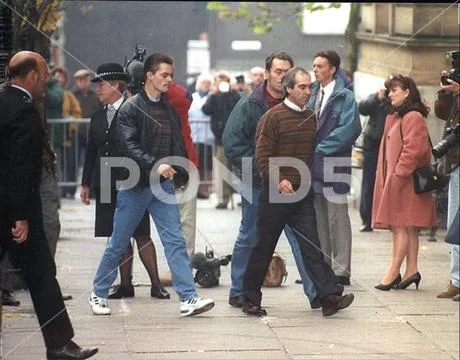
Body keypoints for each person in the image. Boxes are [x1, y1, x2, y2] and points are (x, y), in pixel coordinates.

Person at [89, 53, 214, 317]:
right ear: (149, 76)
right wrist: (156, 164)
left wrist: (178, 172)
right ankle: (98, 292)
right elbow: (128, 146)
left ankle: (189, 298)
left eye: (171, 75)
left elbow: (176, 143)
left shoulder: (168, 107)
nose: (169, 79)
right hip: (135, 185)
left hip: (163, 186)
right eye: (164, 75)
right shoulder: (130, 108)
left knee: (175, 242)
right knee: (118, 242)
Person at [0, 50, 97, 360]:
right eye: (43, 77)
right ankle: (59, 345)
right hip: (18, 212)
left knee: (43, 275)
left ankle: (60, 344)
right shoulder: (24, 111)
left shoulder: (4, 102)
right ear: (31, 76)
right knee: (42, 275)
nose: (45, 83)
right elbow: (20, 168)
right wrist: (20, 216)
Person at [242, 67, 355, 317]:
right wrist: (280, 180)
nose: (307, 91)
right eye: (302, 87)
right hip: (274, 195)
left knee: (312, 246)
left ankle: (328, 297)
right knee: (263, 246)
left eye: (309, 87)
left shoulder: (311, 117)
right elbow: (262, 156)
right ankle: (249, 298)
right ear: (289, 88)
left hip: (302, 194)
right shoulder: (272, 117)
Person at [223, 51, 319, 310]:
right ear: (267, 74)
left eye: (286, 71)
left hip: (293, 185)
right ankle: (239, 290)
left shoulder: (301, 108)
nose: (281, 76)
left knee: (303, 239)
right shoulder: (250, 104)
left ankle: (316, 292)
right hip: (259, 183)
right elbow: (233, 144)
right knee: (251, 236)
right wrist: (262, 174)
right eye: (277, 71)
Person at [80, 62, 169, 301]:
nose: (97, 89)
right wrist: (85, 183)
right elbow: (91, 151)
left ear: (115, 85)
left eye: (101, 85)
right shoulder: (98, 116)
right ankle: (125, 284)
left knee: (141, 233)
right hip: (106, 179)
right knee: (115, 234)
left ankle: (156, 284)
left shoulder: (132, 111)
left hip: (131, 179)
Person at [372, 74, 437, 291]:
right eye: (389, 90)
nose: (390, 94)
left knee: (399, 225)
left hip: (404, 182)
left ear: (407, 92)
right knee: (407, 227)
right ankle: (412, 271)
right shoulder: (399, 116)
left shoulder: (412, 116)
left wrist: (398, 173)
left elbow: (414, 149)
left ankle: (392, 273)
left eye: (395, 90)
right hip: (401, 180)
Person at [308, 50, 361, 286]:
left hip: (334, 162)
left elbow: (350, 129)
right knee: (318, 217)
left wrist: (319, 147)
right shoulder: (310, 92)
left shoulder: (345, 97)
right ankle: (324, 266)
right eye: (314, 65)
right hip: (312, 164)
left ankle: (341, 269)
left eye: (320, 66)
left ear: (332, 69)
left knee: (337, 217)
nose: (315, 69)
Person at [166, 82, 200, 257]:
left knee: (184, 218)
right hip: (155, 163)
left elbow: (185, 97)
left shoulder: (174, 96)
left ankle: (182, 265)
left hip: (183, 162)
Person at [435, 77, 459, 301]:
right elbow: (442, 113)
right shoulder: (454, 95)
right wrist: (445, 93)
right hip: (455, 162)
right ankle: (456, 280)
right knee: (454, 223)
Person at [202, 71, 240, 209]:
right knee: (222, 170)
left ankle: (243, 197)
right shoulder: (214, 96)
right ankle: (223, 199)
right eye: (219, 81)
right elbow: (205, 110)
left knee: (239, 169)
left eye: (224, 81)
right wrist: (213, 94)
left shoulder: (234, 95)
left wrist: (233, 92)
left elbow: (239, 106)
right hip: (220, 139)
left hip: (236, 139)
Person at [358, 89, 389, 232]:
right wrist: (377, 97)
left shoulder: (399, 103)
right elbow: (362, 108)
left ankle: (387, 217)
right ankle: (367, 218)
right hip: (372, 144)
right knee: (368, 182)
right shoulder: (378, 97)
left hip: (390, 145)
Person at [51, 66, 82, 199]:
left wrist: (71, 124)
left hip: (67, 135)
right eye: (56, 76)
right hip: (54, 134)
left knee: (69, 163)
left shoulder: (68, 95)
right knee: (58, 163)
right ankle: (59, 190)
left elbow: (77, 112)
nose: (59, 79)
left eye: (61, 76)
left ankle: (68, 189)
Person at [189, 73, 214, 199]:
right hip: (193, 135)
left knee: (207, 166)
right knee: (195, 165)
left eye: (209, 83)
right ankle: (195, 189)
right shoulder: (191, 97)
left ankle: (205, 190)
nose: (206, 85)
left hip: (208, 137)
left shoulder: (212, 98)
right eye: (204, 83)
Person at [72, 69, 103, 169]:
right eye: (80, 80)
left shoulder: (96, 96)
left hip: (92, 132)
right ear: (76, 81)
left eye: (86, 79)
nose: (84, 82)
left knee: (91, 160)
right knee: (73, 162)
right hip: (75, 133)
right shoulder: (71, 95)